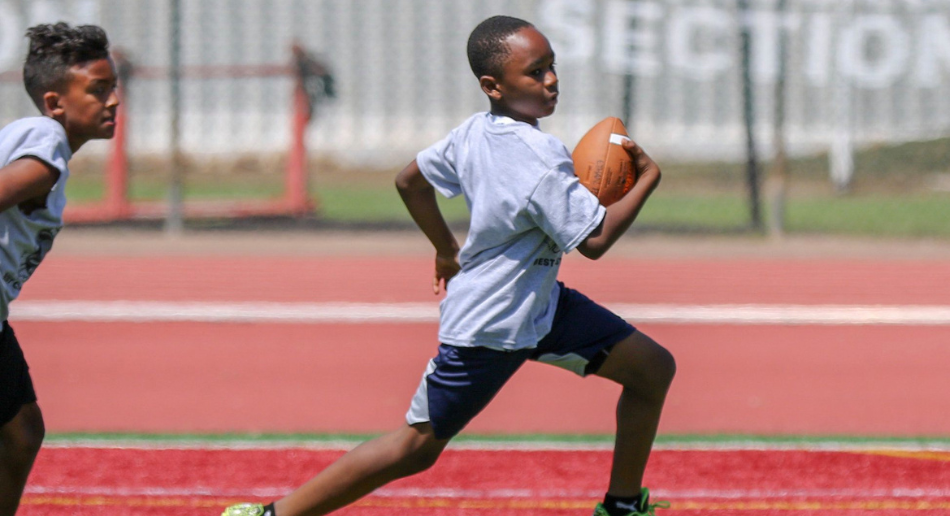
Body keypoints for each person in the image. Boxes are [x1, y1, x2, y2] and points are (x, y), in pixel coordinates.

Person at [223, 14, 674, 516]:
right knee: (414, 447)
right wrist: (647, 178)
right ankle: (272, 515)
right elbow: (595, 241)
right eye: (535, 71)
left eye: (552, 67)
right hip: (495, 321)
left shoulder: (475, 133)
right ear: (492, 85)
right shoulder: (539, 154)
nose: (551, 81)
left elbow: (409, 181)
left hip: (537, 304)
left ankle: (623, 505)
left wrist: (443, 247)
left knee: (652, 369)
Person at [0, 23, 119, 515]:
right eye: (98, 90)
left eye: (113, 86)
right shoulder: (46, 144)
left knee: (21, 430)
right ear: (55, 102)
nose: (113, 101)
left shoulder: (40, 142)